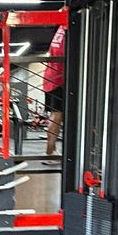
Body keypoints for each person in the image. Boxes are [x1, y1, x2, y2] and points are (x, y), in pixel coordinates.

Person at [42, 25, 66, 157]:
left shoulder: (60, 30)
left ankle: (52, 150)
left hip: (50, 77)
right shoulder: (68, 29)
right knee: (57, 117)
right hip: (58, 79)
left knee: (55, 116)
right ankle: (49, 152)